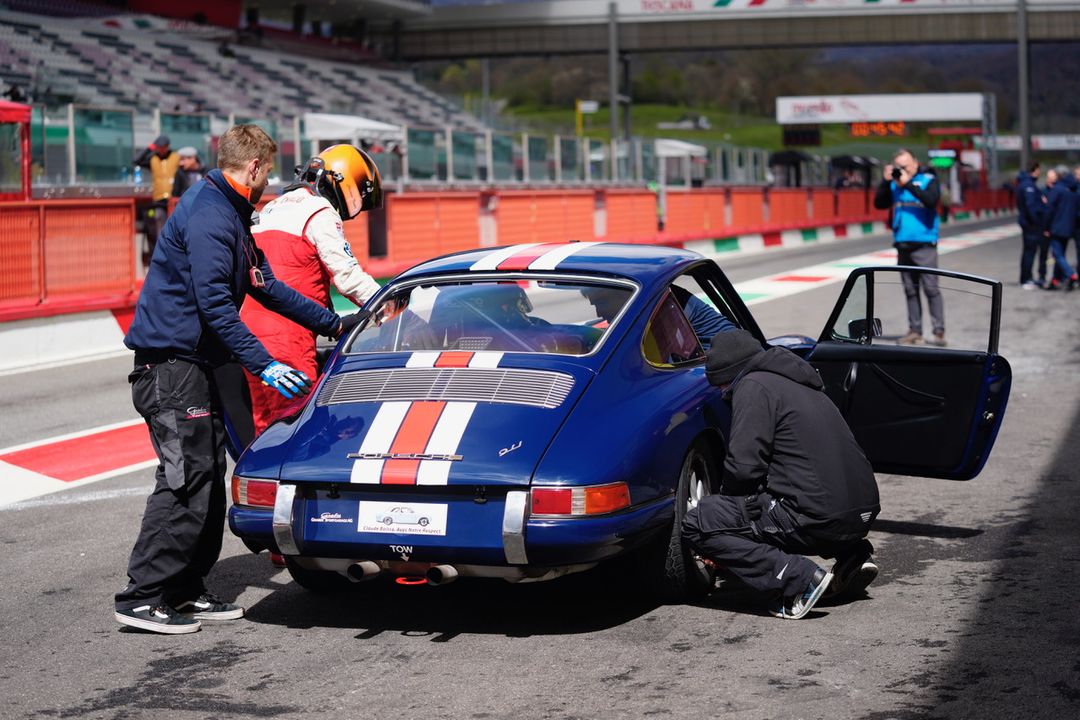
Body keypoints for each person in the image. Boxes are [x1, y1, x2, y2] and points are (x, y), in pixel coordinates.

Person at [115, 125, 354, 635]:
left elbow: (266, 288)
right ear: (254, 168)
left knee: (207, 477)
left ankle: (185, 588)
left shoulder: (233, 213)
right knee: (185, 477)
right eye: (267, 172)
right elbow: (216, 307)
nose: (268, 182)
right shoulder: (208, 216)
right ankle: (144, 594)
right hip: (171, 365)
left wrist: (337, 324)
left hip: (197, 364)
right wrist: (264, 362)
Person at [682, 329, 881, 620]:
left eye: (722, 386)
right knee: (803, 491)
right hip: (859, 512)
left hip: (815, 518)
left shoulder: (752, 386)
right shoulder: (800, 382)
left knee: (700, 522)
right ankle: (853, 557)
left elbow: (744, 468)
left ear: (730, 375)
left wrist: (727, 521)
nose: (723, 394)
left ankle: (798, 581)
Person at [240, 145, 384, 436]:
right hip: (289, 335)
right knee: (297, 429)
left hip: (248, 333)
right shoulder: (319, 210)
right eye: (355, 197)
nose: (352, 210)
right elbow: (349, 278)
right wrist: (394, 304)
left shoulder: (270, 208)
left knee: (265, 430)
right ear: (334, 180)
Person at [874, 149, 944, 346]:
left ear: (914, 162)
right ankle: (915, 331)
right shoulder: (894, 184)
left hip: (924, 241)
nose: (902, 170)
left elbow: (931, 201)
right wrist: (886, 181)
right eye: (898, 167)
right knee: (910, 290)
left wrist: (908, 184)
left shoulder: (928, 178)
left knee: (931, 288)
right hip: (902, 241)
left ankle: (939, 332)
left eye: (905, 166)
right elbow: (879, 203)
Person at [133, 134, 180, 267]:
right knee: (159, 227)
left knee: (176, 228)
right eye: (158, 147)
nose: (160, 150)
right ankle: (162, 257)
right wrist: (150, 147)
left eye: (162, 147)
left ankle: (175, 256)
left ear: (167, 147)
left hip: (174, 200)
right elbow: (136, 160)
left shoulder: (176, 157)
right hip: (159, 200)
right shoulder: (152, 159)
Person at [1042, 168, 1080, 291]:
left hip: (1057, 226)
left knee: (1057, 254)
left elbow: (1049, 210)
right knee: (1061, 253)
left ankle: (1071, 274)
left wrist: (1046, 227)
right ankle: (1056, 279)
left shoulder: (1057, 189)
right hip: (1070, 228)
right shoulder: (1073, 190)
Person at [1017, 162, 1047, 289]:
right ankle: (1026, 279)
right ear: (1034, 170)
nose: (1040, 173)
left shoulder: (1025, 184)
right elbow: (1030, 207)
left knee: (1029, 252)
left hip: (1028, 223)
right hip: (1031, 225)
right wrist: (1036, 222)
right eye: (1039, 170)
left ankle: (1026, 278)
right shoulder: (1028, 186)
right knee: (1029, 252)